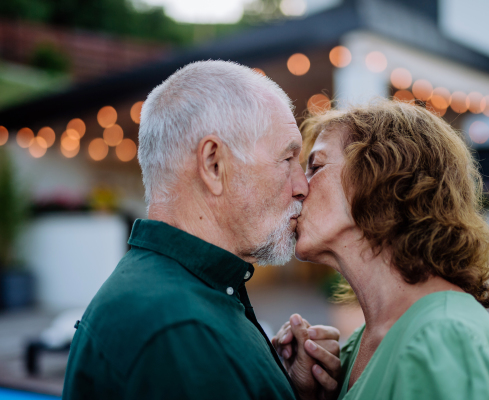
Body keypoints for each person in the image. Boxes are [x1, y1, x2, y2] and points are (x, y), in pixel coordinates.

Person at [62, 61, 341, 400]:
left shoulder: (187, 299)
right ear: (213, 163)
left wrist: (286, 389)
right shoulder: (180, 333)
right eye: (287, 159)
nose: (302, 186)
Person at [273, 100, 489, 399]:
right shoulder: (360, 346)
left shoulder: (443, 340)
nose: (298, 186)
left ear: (380, 180)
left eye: (315, 166)